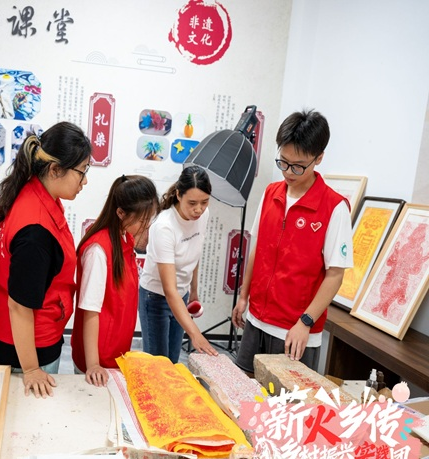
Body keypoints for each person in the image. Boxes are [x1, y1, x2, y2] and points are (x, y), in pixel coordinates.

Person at [232, 109, 353, 374]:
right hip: (256, 320)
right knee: (244, 392)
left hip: (294, 331)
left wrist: (306, 322)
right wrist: (243, 297)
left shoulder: (334, 208)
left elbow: (335, 275)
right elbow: (256, 250)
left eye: (298, 166)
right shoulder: (271, 193)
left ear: (319, 158)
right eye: (283, 162)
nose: (288, 172)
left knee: (286, 399)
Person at [0, 122, 92, 399]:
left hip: (16, 331)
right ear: (55, 169)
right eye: (82, 171)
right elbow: (19, 306)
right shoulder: (35, 232)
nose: (84, 181)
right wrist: (32, 369)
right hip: (29, 344)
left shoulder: (33, 193)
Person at [72, 175, 160, 387]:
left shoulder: (125, 238)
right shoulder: (98, 250)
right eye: (142, 220)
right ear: (120, 213)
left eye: (149, 219)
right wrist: (93, 364)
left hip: (116, 352)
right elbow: (90, 310)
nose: (146, 226)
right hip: (97, 360)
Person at [139, 165, 218, 363]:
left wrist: (193, 291)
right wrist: (195, 334)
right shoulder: (164, 227)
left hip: (181, 295)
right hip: (156, 297)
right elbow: (169, 289)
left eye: (204, 202)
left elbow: (195, 252)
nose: (199, 209)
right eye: (192, 203)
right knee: (158, 364)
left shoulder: (203, 215)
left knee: (172, 362)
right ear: (178, 195)